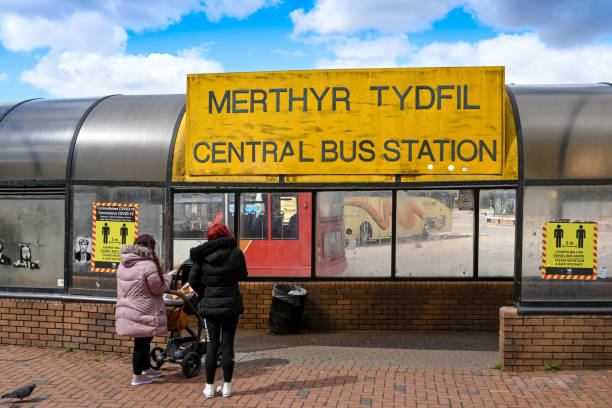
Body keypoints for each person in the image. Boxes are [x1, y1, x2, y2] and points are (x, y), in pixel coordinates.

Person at [188, 223, 248, 399]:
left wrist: (205, 293)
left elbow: (193, 280)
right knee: (228, 344)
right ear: (227, 234)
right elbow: (243, 275)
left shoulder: (202, 255)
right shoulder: (236, 253)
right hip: (231, 304)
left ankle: (209, 388)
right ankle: (227, 387)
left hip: (210, 306)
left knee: (212, 344)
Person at [115, 234, 171, 386]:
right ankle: (137, 376)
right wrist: (168, 279)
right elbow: (158, 288)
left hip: (128, 308)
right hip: (143, 310)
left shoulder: (124, 262)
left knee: (143, 341)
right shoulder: (148, 265)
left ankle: (146, 369)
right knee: (141, 343)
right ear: (150, 247)